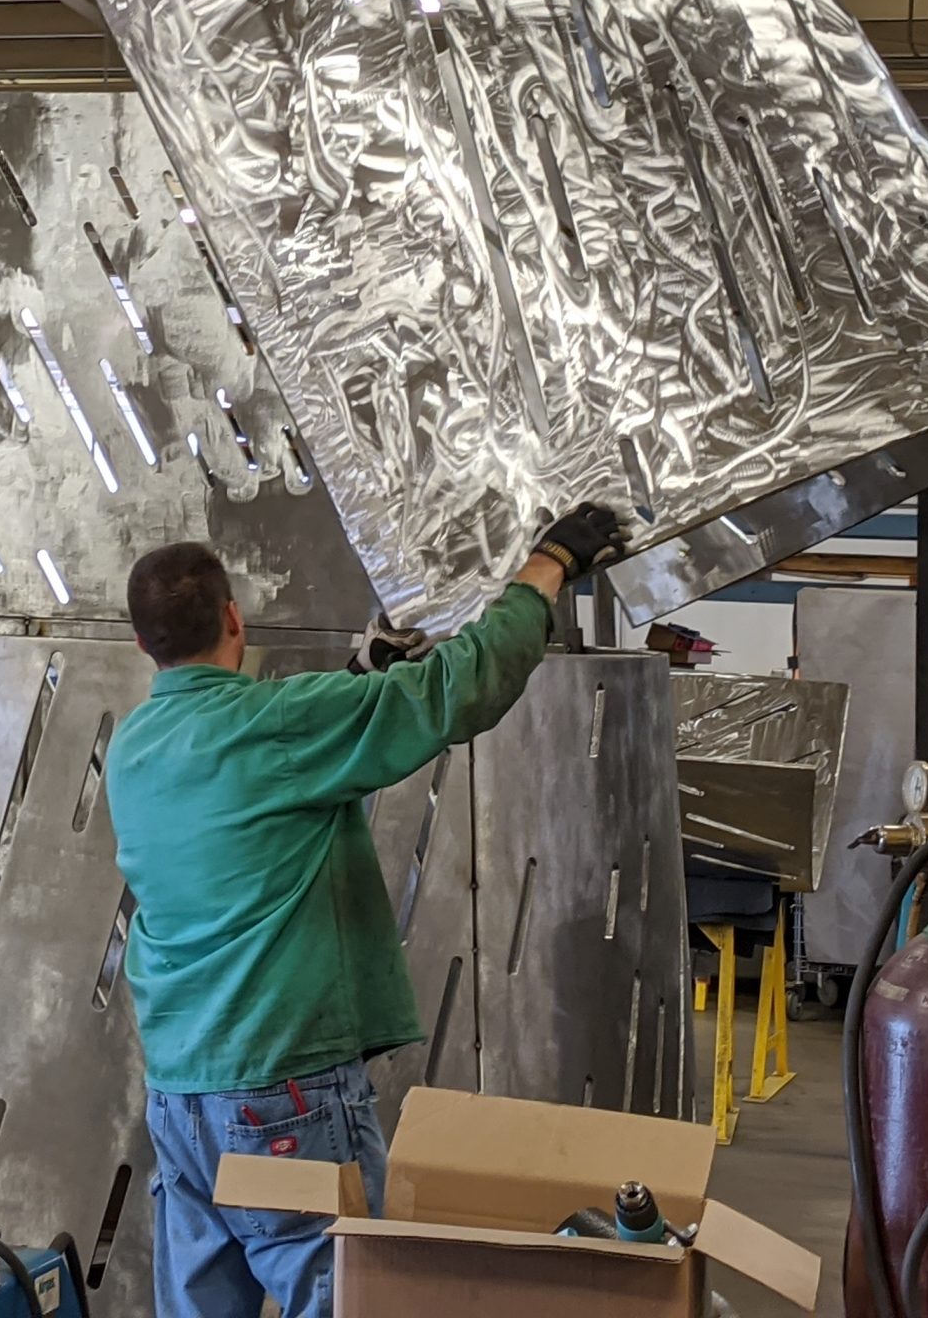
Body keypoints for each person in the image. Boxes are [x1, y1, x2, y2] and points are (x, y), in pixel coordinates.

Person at [107, 502, 633, 1318]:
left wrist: (362, 677)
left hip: (183, 1096)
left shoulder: (136, 749)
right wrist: (548, 566)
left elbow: (258, 793)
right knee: (347, 1300)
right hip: (280, 1088)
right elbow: (456, 693)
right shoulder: (276, 726)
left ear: (143, 643)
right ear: (234, 619)